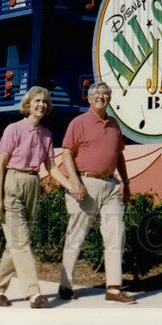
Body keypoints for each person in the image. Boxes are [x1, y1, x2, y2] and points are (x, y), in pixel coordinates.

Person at [0, 86, 78, 309]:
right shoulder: (13, 129)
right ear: (28, 104)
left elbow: (50, 166)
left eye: (44, 102)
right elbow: (0, 162)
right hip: (13, 182)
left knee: (16, 243)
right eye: (37, 101)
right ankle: (33, 292)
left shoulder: (46, 134)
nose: (41, 104)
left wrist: (70, 186)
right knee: (21, 242)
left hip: (33, 184)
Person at [58, 81, 136, 304]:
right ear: (90, 98)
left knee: (116, 235)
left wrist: (126, 183)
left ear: (110, 98)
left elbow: (118, 155)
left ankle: (113, 288)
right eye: (98, 94)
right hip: (86, 184)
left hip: (111, 186)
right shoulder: (78, 123)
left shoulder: (114, 125)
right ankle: (65, 285)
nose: (102, 97)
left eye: (106, 94)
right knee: (77, 236)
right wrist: (75, 183)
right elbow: (66, 154)